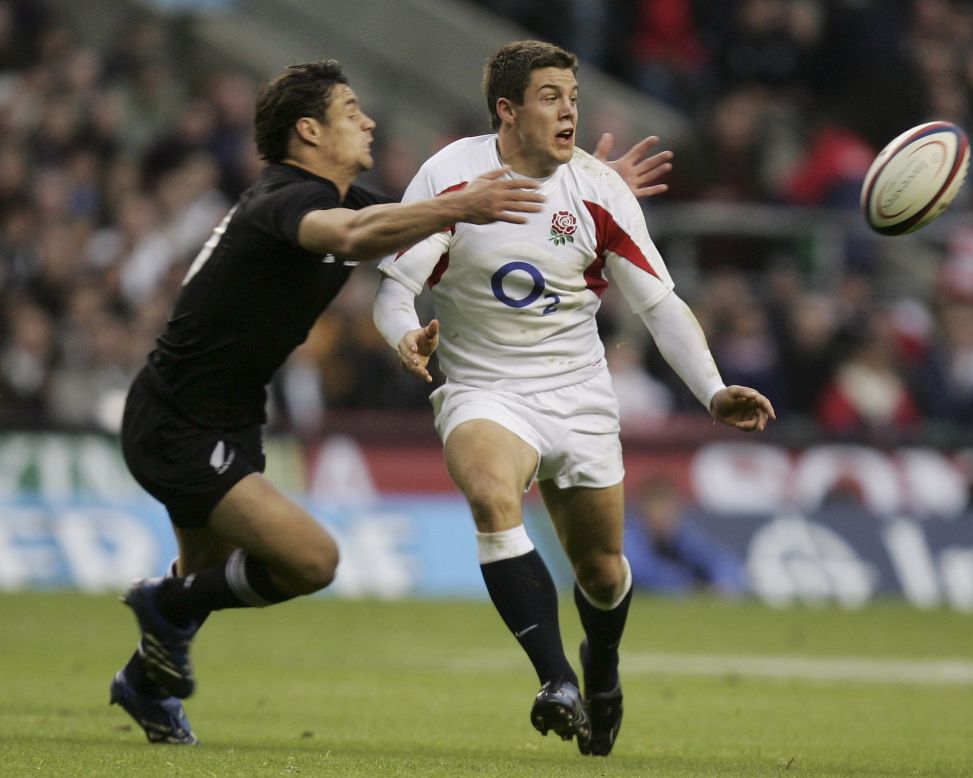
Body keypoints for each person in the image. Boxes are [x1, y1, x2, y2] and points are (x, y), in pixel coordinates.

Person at [108, 58, 670, 746]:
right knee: (309, 561)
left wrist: (588, 194)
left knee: (204, 580)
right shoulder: (285, 199)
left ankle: (146, 682)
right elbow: (351, 237)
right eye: (350, 113)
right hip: (176, 420)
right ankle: (157, 605)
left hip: (226, 414)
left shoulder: (348, 198)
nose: (368, 121)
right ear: (309, 131)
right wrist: (457, 203)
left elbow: (429, 231)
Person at [373, 40, 776, 757]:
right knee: (494, 498)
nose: (570, 111)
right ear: (507, 110)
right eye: (551, 97)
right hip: (483, 387)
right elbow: (395, 289)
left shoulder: (597, 188)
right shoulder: (452, 176)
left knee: (600, 570)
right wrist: (405, 337)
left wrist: (712, 391)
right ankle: (556, 679)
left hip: (580, 391)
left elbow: (660, 304)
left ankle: (602, 667)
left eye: (574, 96)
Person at [622, 477, 746, 597]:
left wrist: (724, 583)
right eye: (657, 509)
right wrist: (691, 586)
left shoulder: (681, 533)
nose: (663, 517)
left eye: (667, 509)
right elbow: (644, 574)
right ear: (643, 512)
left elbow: (721, 561)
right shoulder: (628, 538)